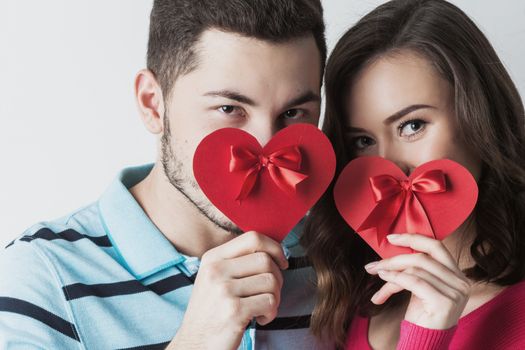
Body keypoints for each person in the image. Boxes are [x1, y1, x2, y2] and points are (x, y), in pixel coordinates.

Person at [0, 1, 330, 349]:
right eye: (228, 108)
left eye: (293, 112)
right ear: (152, 104)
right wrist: (197, 341)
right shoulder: (41, 277)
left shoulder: (333, 258)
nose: (266, 148)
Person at [302, 0, 525, 349]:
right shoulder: (353, 296)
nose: (388, 167)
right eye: (363, 141)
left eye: (412, 125)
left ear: (479, 117)